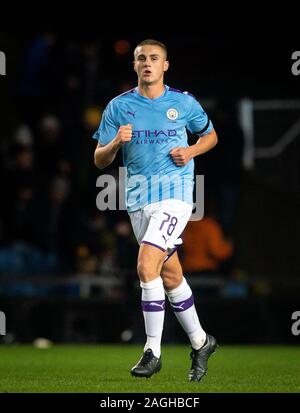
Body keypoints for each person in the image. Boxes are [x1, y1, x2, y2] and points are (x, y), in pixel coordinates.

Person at [92, 39, 218, 382]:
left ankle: (152, 351)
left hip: (176, 196)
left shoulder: (183, 103)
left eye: (154, 58)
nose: (147, 63)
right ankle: (201, 341)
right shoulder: (118, 107)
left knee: (146, 263)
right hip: (138, 200)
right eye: (141, 58)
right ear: (134, 65)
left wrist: (191, 152)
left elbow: (211, 137)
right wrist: (116, 142)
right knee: (171, 275)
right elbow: (99, 160)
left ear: (165, 65)